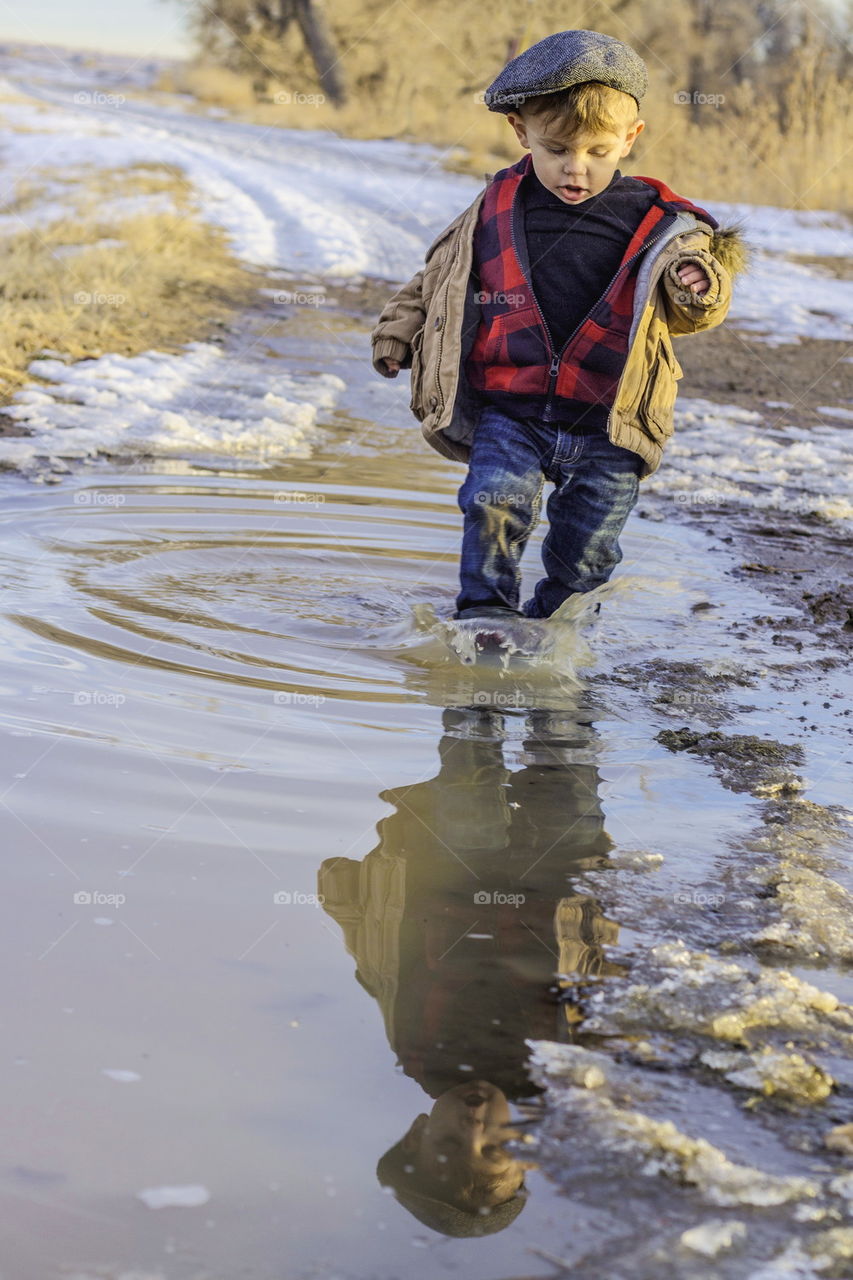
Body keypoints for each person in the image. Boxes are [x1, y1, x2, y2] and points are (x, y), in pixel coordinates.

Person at [371, 29, 750, 630]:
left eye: (599, 153)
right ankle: (486, 620)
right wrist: (397, 335)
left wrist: (695, 285)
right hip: (511, 408)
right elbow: (440, 277)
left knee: (587, 549)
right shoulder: (498, 205)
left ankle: (555, 631)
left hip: (609, 419)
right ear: (521, 133)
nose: (576, 169)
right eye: (556, 150)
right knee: (492, 504)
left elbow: (695, 312)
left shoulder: (663, 226)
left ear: (631, 138)